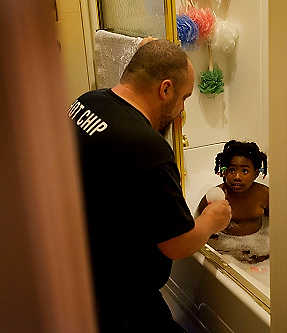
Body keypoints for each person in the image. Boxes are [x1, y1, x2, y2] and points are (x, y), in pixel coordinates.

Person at [68, 39, 231, 332]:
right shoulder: (146, 148)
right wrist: (211, 220)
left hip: (82, 272)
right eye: (184, 98)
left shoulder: (86, 103)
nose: (181, 110)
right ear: (165, 88)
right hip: (121, 299)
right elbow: (176, 244)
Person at [197, 140, 269, 263]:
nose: (237, 177)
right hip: (224, 250)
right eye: (232, 170)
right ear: (224, 172)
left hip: (259, 249)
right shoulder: (216, 196)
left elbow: (280, 224)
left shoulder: (264, 195)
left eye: (244, 171)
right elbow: (198, 224)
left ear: (256, 174)